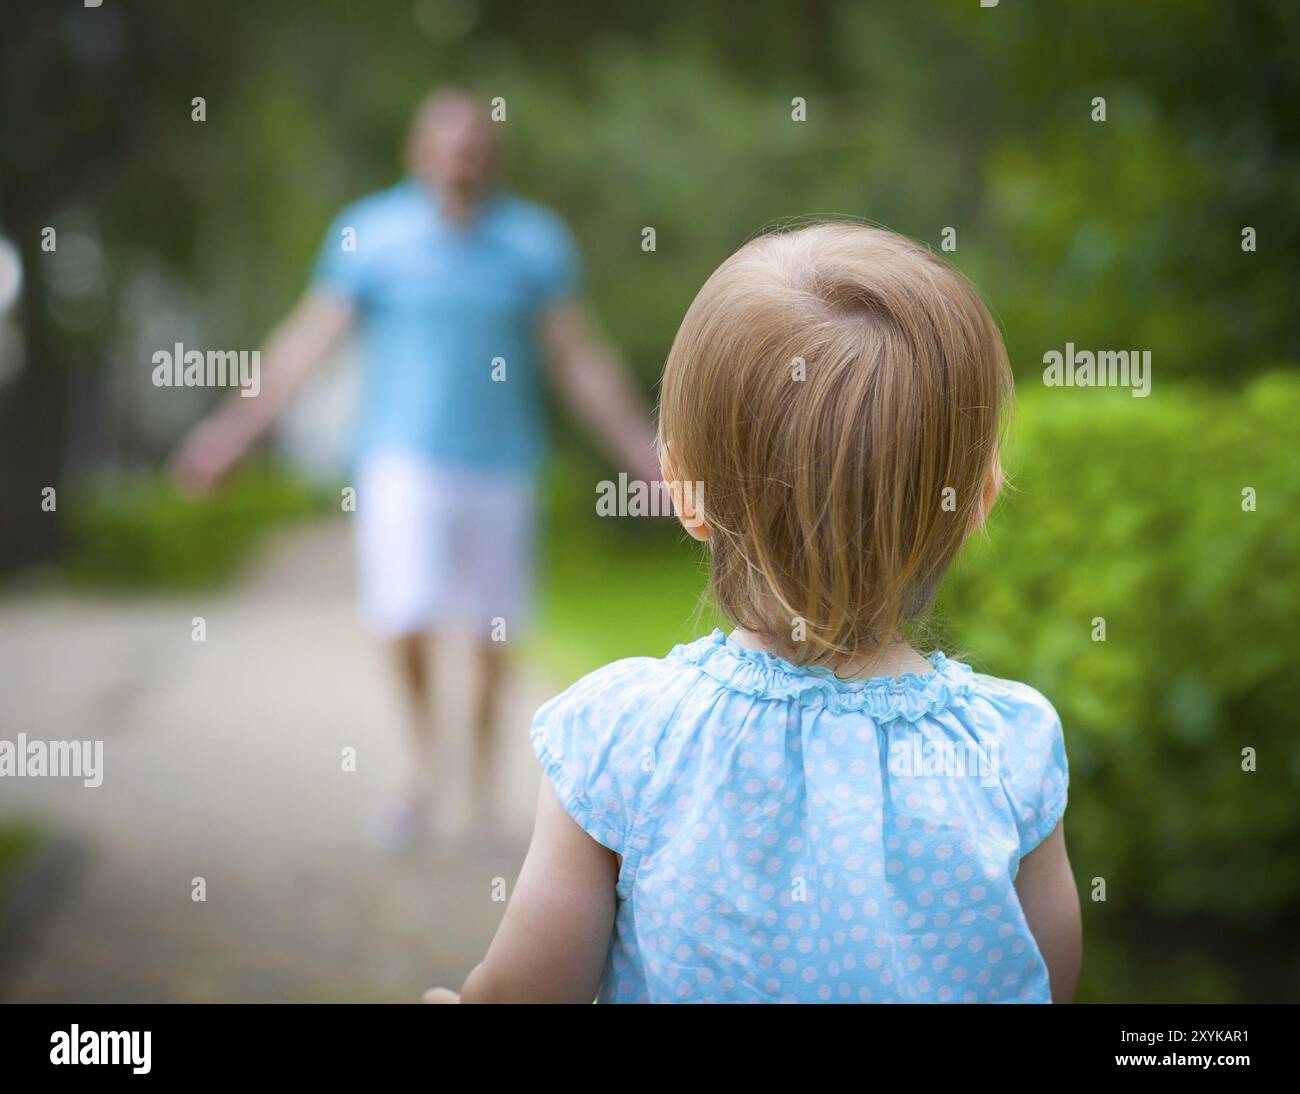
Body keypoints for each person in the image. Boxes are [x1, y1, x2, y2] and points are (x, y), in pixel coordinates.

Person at [423, 222, 1082, 1003]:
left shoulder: (625, 740)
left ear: (683, 489)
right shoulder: (1010, 749)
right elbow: (1046, 982)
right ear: (978, 499)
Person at [172, 89, 659, 848]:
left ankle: (482, 789)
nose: (462, 154)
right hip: (400, 459)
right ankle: (420, 768)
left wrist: (643, 451)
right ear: (418, 151)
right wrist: (233, 433)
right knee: (403, 615)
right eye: (448, 140)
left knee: (494, 631)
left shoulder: (534, 244)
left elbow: (578, 357)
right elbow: (307, 340)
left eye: (476, 142)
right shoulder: (370, 233)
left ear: (494, 157)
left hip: (502, 463)